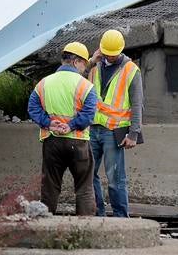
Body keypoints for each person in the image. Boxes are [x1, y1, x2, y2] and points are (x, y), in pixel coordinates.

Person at [27, 42, 98, 215]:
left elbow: (32, 108)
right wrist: (71, 125)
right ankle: (86, 229)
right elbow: (89, 114)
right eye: (84, 63)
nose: (84, 68)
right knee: (84, 188)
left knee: (50, 187)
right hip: (79, 142)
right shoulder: (86, 86)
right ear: (75, 62)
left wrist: (48, 123)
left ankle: (44, 225)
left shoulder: (44, 84)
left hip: (52, 142)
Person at [85, 29, 143, 218]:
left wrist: (134, 133)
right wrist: (92, 61)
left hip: (113, 131)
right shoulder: (94, 65)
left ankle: (120, 218)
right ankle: (97, 214)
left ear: (121, 51)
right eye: (106, 53)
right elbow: (76, 79)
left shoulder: (131, 70)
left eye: (113, 54)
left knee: (115, 179)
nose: (109, 57)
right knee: (87, 174)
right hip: (93, 128)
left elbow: (137, 103)